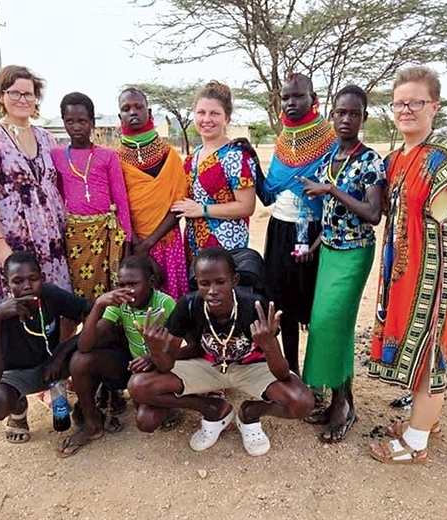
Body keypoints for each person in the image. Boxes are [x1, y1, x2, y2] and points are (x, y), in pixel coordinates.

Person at [367, 66, 447, 463]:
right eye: (399, 103)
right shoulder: (395, 158)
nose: (406, 110)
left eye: (416, 102)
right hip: (403, 272)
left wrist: (438, 250)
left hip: (433, 270)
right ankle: (424, 422)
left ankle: (415, 444)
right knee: (414, 346)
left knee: (431, 347)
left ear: (434, 106)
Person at [128, 247, 314, 457]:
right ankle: (212, 409)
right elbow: (166, 365)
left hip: (250, 367)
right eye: (204, 284)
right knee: (138, 386)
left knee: (302, 402)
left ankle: (250, 412)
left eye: (220, 282)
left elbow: (281, 373)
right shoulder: (188, 305)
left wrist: (268, 343)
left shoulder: (254, 305)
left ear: (234, 280)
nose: (212, 290)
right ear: (197, 283)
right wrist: (155, 351)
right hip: (208, 366)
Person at [298, 85, 385, 443]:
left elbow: (373, 214)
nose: (346, 119)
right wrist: (313, 245)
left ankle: (341, 405)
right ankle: (341, 398)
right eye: (340, 113)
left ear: (363, 118)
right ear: (331, 116)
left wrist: (331, 190)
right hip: (330, 252)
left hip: (354, 254)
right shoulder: (327, 159)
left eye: (354, 113)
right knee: (327, 327)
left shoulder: (371, 161)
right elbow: (331, 217)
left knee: (331, 323)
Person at [0, 65, 70, 310]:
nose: (22, 100)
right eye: (15, 93)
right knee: (18, 311)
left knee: (55, 305)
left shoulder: (46, 138)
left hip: (51, 239)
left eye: (29, 94)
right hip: (14, 238)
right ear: (1, 96)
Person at [57, 254, 176, 456]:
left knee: (147, 419)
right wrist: (98, 306)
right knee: (80, 361)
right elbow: (85, 346)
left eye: (133, 284)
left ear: (151, 282)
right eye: (121, 285)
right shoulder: (120, 304)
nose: (127, 291)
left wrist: (152, 357)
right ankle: (92, 423)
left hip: (161, 368)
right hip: (132, 368)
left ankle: (164, 403)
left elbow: (179, 348)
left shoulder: (166, 304)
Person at [260, 73, 336, 375]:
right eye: (286, 98)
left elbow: (336, 192)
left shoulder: (330, 141)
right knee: (282, 306)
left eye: (298, 96)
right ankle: (289, 370)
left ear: (313, 100)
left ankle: (315, 376)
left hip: (316, 231)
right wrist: (249, 155)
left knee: (316, 307)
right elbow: (268, 192)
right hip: (280, 229)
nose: (291, 102)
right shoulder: (282, 142)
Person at [0, 252, 91, 444]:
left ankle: (88, 407)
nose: (27, 286)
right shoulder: (1, 315)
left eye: (33, 279)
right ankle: (18, 409)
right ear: (7, 284)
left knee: (92, 352)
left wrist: (62, 352)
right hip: (18, 376)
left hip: (54, 365)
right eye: (18, 281)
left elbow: (94, 311)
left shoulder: (50, 295)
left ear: (42, 278)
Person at [51, 92, 132, 300]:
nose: (76, 127)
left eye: (82, 121)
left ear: (92, 122)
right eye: (70, 121)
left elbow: (120, 199)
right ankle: (87, 328)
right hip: (75, 234)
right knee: (81, 287)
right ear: (63, 122)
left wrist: (128, 238)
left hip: (106, 232)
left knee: (111, 287)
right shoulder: (57, 156)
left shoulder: (108, 155)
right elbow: (58, 195)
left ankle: (108, 330)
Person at [172, 81, 257, 262]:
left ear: (226, 118)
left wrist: (202, 210)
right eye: (201, 113)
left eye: (215, 113)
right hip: (194, 249)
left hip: (226, 250)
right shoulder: (191, 159)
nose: (206, 119)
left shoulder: (235, 156)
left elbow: (246, 206)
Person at [117, 88, 189, 300]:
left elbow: (179, 204)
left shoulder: (170, 155)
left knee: (172, 307)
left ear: (148, 112)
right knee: (137, 306)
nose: (133, 112)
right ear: (120, 115)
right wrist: (136, 242)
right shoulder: (115, 159)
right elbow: (118, 206)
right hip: (132, 244)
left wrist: (148, 244)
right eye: (126, 108)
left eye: (138, 107)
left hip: (167, 242)